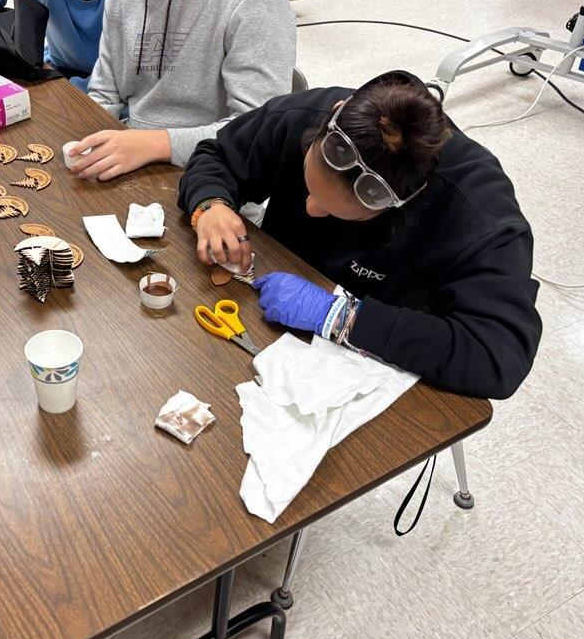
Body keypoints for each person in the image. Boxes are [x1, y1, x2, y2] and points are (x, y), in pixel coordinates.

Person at [179, 70, 542, 399]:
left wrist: (341, 317)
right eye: (310, 188)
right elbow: (217, 155)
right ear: (330, 118)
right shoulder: (308, 114)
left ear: (402, 202)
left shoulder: (481, 218)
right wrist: (211, 205)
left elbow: (498, 357)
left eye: (332, 211)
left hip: (377, 364)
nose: (310, 209)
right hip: (267, 320)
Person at [66, 0, 295, 181]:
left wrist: (153, 145)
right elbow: (105, 93)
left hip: (215, 184)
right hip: (134, 171)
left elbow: (257, 135)